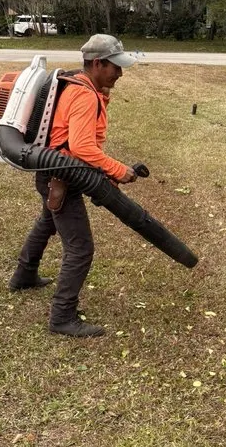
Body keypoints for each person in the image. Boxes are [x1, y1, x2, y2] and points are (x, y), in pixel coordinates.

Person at [9, 34, 139, 338]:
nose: (120, 73)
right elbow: (81, 147)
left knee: (47, 222)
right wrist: (118, 170)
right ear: (98, 63)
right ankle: (62, 316)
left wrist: (105, 173)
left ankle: (24, 275)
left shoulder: (79, 85)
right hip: (61, 177)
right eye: (115, 67)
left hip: (55, 172)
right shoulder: (84, 95)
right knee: (81, 248)